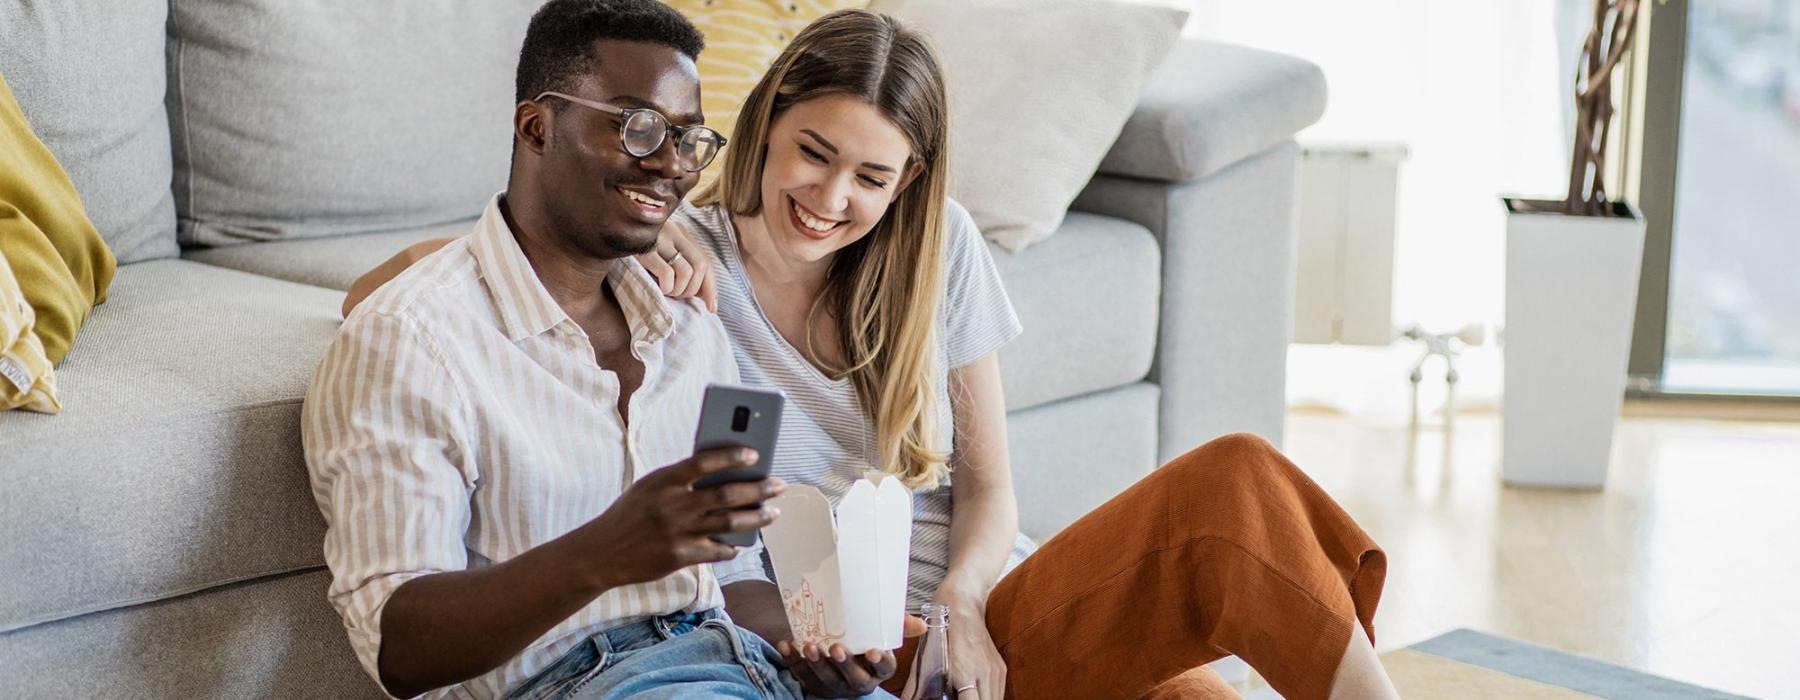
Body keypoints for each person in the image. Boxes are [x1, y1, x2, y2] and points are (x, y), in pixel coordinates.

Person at [345, 9, 1397, 700]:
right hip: (845, 642)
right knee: (1230, 497)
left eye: (871, 177)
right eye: (814, 152)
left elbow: (991, 495)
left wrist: (966, 609)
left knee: (1201, 670)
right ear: (768, 123)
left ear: (908, 183)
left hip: (979, 613)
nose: (831, 199)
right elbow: (399, 287)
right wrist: (658, 224)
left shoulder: (938, 251)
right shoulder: (678, 265)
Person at [302, 2, 915, 698]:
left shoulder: (689, 324)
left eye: (686, 138)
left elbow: (732, 575)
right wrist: (604, 553)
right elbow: (396, 646)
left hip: (745, 666)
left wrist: (807, 643)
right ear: (537, 126)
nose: (669, 165)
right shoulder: (411, 341)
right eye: (637, 127)